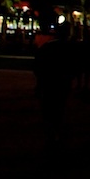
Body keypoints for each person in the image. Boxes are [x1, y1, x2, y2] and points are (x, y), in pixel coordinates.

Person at [34, 23, 80, 151]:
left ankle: (51, 135)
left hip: (48, 84)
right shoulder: (68, 49)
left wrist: (39, 84)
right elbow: (74, 67)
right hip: (61, 84)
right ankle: (57, 135)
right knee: (59, 109)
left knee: (48, 111)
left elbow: (38, 68)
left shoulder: (45, 49)